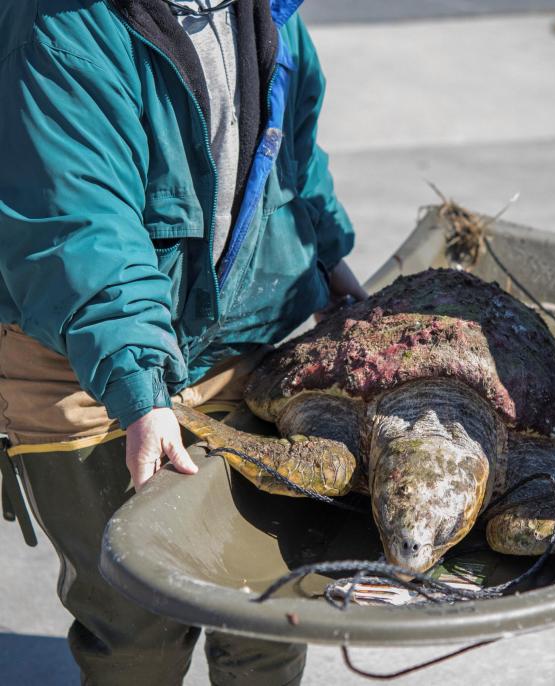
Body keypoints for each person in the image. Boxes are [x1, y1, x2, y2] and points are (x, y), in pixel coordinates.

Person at [0, 0, 365, 683]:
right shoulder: (60, 25)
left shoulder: (273, 15)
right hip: (87, 365)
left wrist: (327, 257)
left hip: (238, 350)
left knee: (267, 609)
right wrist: (140, 388)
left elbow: (293, 158)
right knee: (137, 623)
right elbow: (80, 227)